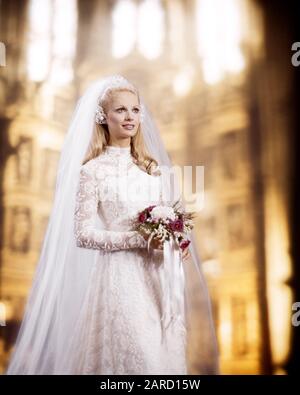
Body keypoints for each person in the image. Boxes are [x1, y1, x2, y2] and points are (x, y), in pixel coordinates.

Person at [6, 75, 220, 375]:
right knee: (134, 360)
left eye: (135, 110)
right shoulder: (91, 171)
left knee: (160, 365)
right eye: (120, 110)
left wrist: (175, 244)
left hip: (156, 279)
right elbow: (83, 234)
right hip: (120, 279)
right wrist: (138, 239)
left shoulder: (152, 172)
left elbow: (168, 224)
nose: (129, 117)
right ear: (103, 117)